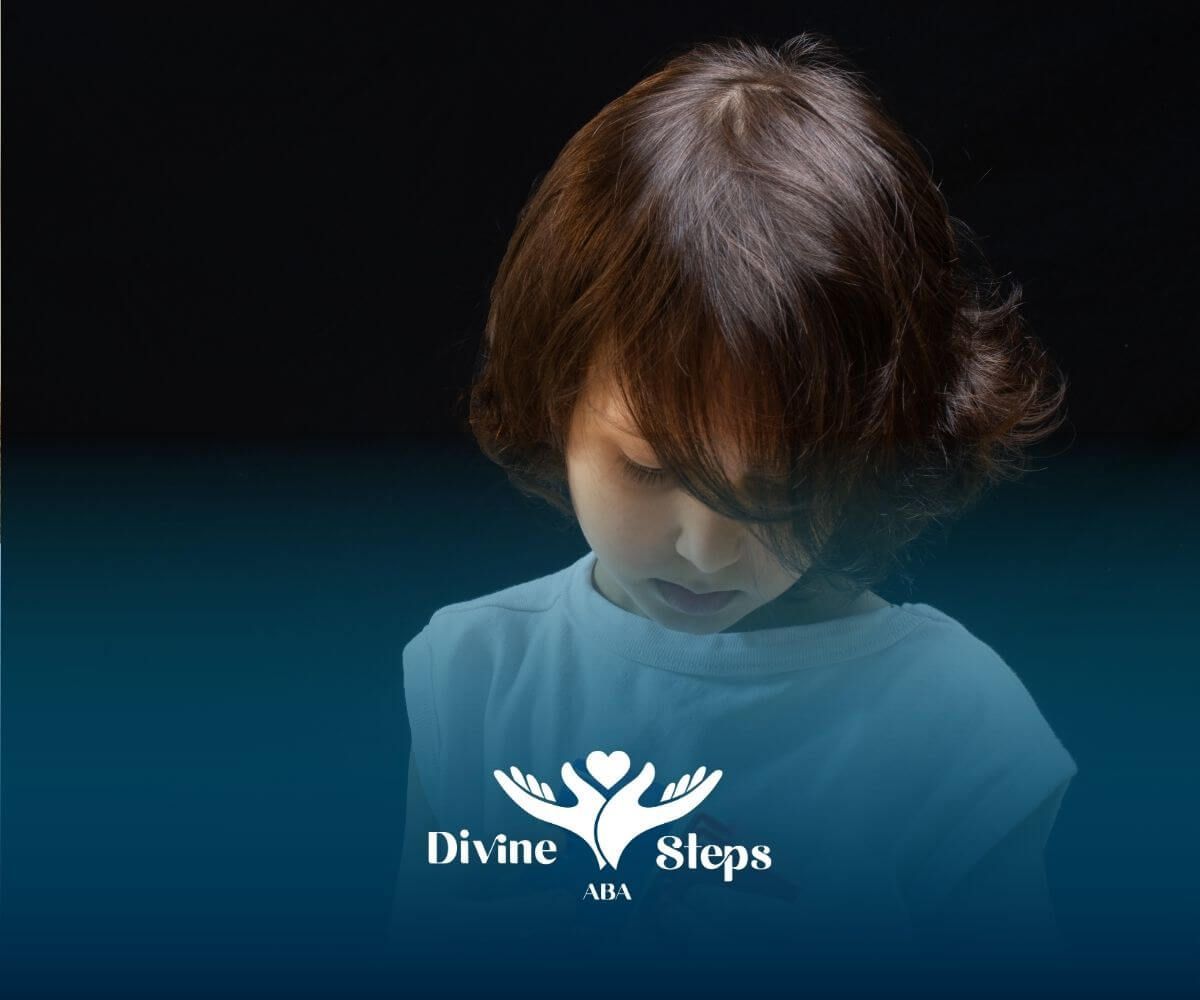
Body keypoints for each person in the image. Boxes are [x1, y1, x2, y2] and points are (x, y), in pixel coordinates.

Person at [385, 32, 1078, 993]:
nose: (706, 547)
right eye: (650, 468)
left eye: (783, 490)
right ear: (556, 400)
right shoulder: (476, 677)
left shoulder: (949, 723)